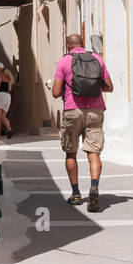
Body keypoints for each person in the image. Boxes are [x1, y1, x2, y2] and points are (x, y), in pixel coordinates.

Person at [48, 34, 112, 211]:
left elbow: (55, 92)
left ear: (67, 45)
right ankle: (93, 187)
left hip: (72, 110)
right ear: (82, 44)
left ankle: (76, 194)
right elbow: (109, 86)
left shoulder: (64, 62)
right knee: (94, 153)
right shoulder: (97, 59)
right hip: (95, 110)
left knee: (71, 153)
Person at [0, 62, 14, 140]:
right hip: (8, 96)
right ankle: (9, 129)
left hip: (0, 96)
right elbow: (10, 89)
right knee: (3, 117)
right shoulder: (8, 77)